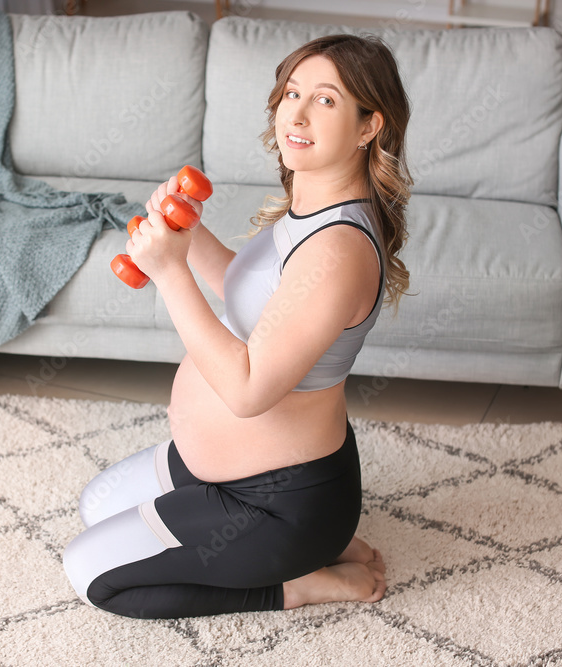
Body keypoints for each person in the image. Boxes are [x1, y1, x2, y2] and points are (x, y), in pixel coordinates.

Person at [62, 33, 413, 619]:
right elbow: (247, 295)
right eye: (291, 93)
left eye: (325, 101)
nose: (295, 114)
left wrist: (170, 273)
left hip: (278, 503)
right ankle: (319, 545)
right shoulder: (312, 211)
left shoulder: (339, 250)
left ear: (367, 126)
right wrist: (189, 236)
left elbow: (249, 391)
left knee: (91, 575)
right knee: (96, 506)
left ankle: (300, 580)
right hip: (227, 474)